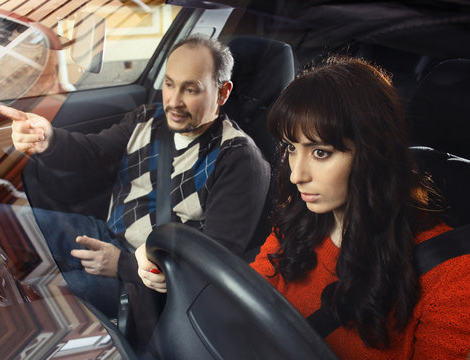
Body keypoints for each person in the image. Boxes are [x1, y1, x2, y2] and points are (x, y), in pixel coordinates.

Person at [138, 56, 470, 358]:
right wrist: (168, 267)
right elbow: (240, 300)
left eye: (320, 152)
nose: (297, 175)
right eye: (292, 148)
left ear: (373, 154)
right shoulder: (298, 223)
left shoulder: (451, 277)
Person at [0, 35, 271, 319]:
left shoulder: (239, 160)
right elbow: (93, 152)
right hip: (106, 235)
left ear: (223, 93)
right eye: (169, 84)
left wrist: (122, 265)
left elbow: (211, 265)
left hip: (148, 284)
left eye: (191, 89)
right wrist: (47, 138)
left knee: (39, 303)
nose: (173, 101)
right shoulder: (148, 120)